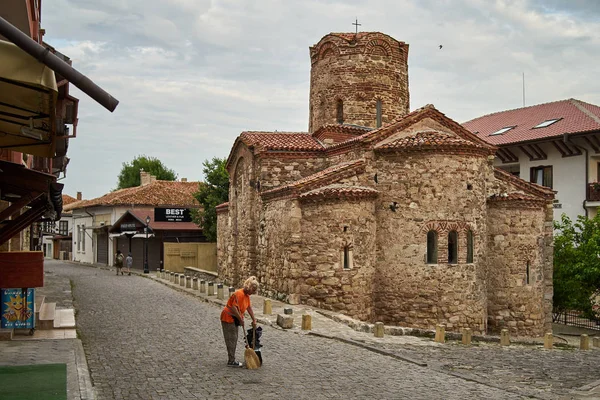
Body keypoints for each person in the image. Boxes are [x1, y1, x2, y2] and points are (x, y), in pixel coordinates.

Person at [220, 276, 258, 367]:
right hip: (228, 317)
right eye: (252, 291)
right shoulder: (239, 294)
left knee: (234, 338)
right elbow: (233, 307)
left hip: (235, 319)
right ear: (249, 288)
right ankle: (231, 361)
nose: (252, 293)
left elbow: (249, 307)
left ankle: (231, 358)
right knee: (231, 339)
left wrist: (254, 319)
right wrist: (240, 319)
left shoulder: (246, 296)